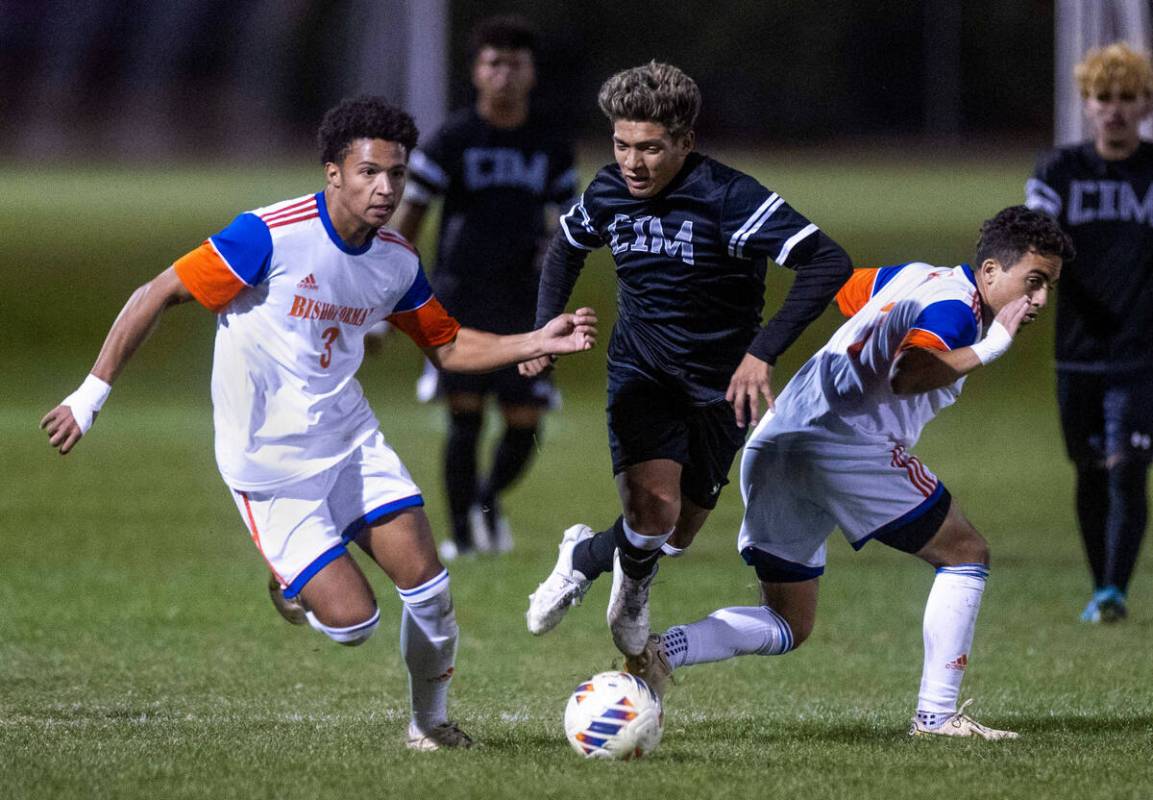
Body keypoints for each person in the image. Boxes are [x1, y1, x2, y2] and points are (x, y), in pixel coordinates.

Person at [40, 96, 597, 751]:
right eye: (368, 172)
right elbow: (155, 293)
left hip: (350, 442)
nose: (385, 187)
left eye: (396, 173)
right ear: (333, 172)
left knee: (431, 589)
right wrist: (90, 394)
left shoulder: (394, 261)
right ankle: (289, 581)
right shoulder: (269, 235)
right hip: (268, 468)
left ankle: (429, 723)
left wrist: (535, 340)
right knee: (353, 624)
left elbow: (446, 347)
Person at [623, 206, 1073, 740]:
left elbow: (846, 291)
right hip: (845, 445)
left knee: (789, 621)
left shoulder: (914, 276)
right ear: (993, 271)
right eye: (1034, 282)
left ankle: (663, 650)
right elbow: (910, 374)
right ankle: (935, 716)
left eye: (1048, 286)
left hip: (778, 438)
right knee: (965, 553)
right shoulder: (957, 308)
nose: (1040, 300)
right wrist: (991, 345)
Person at [522, 61, 853, 657]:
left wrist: (761, 353)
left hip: (724, 388)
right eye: (622, 145)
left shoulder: (728, 197)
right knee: (654, 509)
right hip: (641, 371)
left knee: (675, 532)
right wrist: (547, 326)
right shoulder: (607, 191)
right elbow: (566, 248)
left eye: (650, 148)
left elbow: (826, 263)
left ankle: (586, 554)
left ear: (685, 142)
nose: (632, 163)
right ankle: (633, 579)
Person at [389, 15, 578, 560]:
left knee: (525, 422)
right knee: (464, 416)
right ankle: (464, 537)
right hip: (461, 297)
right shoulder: (453, 139)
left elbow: (570, 224)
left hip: (527, 301)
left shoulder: (550, 144)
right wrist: (394, 287)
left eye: (515, 63)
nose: (504, 74)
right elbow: (413, 214)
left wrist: (557, 272)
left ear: (531, 72)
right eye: (494, 63)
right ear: (476, 72)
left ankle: (486, 503)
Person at [1026, 42, 1153, 624]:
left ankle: (1113, 593)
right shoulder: (1059, 171)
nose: (1116, 109)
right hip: (1076, 349)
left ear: (1146, 103)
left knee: (1126, 466)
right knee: (1088, 470)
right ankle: (1099, 582)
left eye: (1128, 97)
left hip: (1142, 350)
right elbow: (1036, 239)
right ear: (1087, 104)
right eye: (1105, 98)